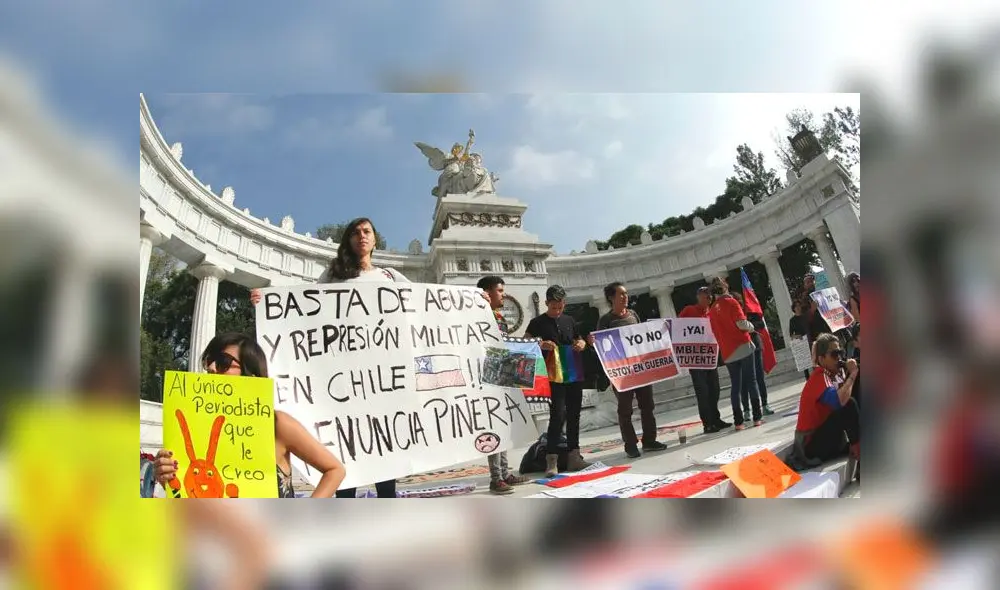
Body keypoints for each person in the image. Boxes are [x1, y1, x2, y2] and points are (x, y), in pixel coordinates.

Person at [252, 217, 407, 498]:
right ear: (348, 240)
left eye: (367, 231)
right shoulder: (335, 275)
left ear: (375, 239)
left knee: (385, 462)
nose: (362, 236)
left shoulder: (391, 277)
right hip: (345, 383)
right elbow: (305, 307)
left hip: (382, 381)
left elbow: (423, 303)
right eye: (356, 232)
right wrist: (269, 302)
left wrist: (474, 298)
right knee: (347, 457)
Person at [153, 332, 347, 498]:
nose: (211, 367)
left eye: (223, 362)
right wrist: (168, 477)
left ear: (250, 373)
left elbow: (335, 470)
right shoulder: (198, 427)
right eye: (208, 361)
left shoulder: (276, 424)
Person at [586, 282, 668, 458]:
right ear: (611, 298)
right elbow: (602, 348)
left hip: (640, 369)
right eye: (621, 294)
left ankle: (649, 440)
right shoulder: (606, 320)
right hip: (622, 373)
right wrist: (593, 343)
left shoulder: (633, 314)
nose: (625, 297)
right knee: (625, 409)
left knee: (647, 405)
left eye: (626, 293)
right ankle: (630, 445)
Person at [525, 285, 590, 477]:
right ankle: (551, 459)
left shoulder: (569, 320)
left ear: (564, 303)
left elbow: (579, 339)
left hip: (573, 373)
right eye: (553, 306)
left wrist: (582, 344)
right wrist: (540, 343)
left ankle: (574, 456)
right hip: (552, 376)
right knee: (558, 415)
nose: (557, 309)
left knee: (574, 414)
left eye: (560, 306)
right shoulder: (537, 322)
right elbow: (525, 343)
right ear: (546, 303)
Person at [477, 275, 531, 494]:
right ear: (487, 293)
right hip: (486, 373)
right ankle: (495, 478)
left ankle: (505, 472)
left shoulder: (500, 317)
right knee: (493, 424)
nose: (504, 294)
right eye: (499, 291)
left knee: (505, 423)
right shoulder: (476, 313)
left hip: (504, 370)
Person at [793, 333, 860, 464]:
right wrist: (852, 375)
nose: (839, 358)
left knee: (857, 387)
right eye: (834, 355)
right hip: (809, 446)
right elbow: (839, 402)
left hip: (824, 439)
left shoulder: (832, 375)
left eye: (840, 353)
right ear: (822, 359)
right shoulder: (819, 376)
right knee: (849, 404)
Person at [707, 277, 762, 430]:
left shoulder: (711, 311)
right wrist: (751, 327)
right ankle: (757, 417)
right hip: (742, 345)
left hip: (727, 351)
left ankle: (738, 422)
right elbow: (741, 324)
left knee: (735, 386)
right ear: (725, 288)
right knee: (751, 381)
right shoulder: (732, 302)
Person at [678, 286, 730, 433]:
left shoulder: (711, 313)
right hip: (695, 359)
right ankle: (707, 423)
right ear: (698, 297)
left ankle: (716, 419)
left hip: (710, 358)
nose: (706, 298)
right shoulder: (689, 310)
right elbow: (677, 328)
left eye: (708, 295)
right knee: (703, 391)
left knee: (715, 389)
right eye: (703, 295)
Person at [732, 293, 775, 420]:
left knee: (758, 377)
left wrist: (747, 326)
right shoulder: (730, 315)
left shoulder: (750, 311)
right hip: (740, 349)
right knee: (743, 381)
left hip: (755, 347)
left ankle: (765, 404)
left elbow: (760, 324)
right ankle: (746, 410)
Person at [788, 300, 811, 381]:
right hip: (801, 343)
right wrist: (798, 336)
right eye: (796, 306)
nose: (798, 308)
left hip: (809, 340)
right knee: (805, 364)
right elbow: (791, 335)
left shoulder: (806, 316)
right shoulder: (792, 320)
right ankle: (808, 379)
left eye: (799, 305)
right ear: (794, 308)